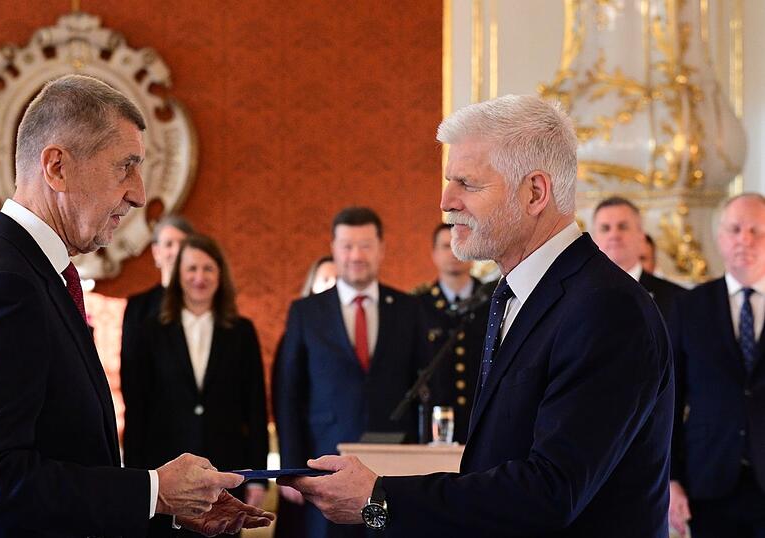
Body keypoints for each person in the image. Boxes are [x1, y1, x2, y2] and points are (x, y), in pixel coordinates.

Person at [281, 95, 674, 537]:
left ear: (535, 193)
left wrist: (379, 498)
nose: (446, 201)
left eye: (467, 184)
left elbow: (551, 492)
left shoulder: (607, 308)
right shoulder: (514, 294)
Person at [0, 74, 272, 537]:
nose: (139, 193)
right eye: (124, 166)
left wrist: (161, 502)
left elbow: (60, 452)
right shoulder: (6, 285)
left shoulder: (26, 269)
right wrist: (155, 491)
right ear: (57, 168)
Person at [274, 206, 430, 538]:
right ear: (334, 249)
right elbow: (289, 395)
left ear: (381, 249)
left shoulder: (409, 309)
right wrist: (289, 466)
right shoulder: (306, 312)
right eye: (347, 246)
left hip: (393, 471)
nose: (356, 255)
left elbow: (425, 385)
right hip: (324, 465)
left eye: (365, 245)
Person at [123, 234, 269, 537]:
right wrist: (136, 480)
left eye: (208, 269)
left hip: (227, 472)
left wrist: (257, 477)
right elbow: (137, 408)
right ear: (178, 276)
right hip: (163, 472)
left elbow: (255, 409)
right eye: (191, 269)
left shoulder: (242, 332)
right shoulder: (150, 331)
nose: (199, 278)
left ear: (220, 275)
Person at [667, 193, 765, 537]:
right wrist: (672, 479)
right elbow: (671, 400)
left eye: (757, 230)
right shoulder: (688, 307)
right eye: (735, 229)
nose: (745, 239)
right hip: (707, 479)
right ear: (720, 237)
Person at [412, 223, 495, 444]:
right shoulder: (418, 305)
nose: (455, 252)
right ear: (434, 254)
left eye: (461, 243)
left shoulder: (493, 300)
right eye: (446, 246)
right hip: (433, 427)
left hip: (481, 422)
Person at [273, 255, 336, 538]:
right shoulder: (295, 334)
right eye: (325, 281)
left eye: (338, 281)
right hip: (305, 458)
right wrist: (290, 469)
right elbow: (285, 404)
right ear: (311, 286)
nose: (332, 288)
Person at [591, 196, 684, 317]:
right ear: (593, 239)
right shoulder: (574, 295)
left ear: (641, 236)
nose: (614, 235)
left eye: (623, 227)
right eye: (605, 228)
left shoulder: (677, 298)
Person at [121, 214, 194, 351]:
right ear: (156, 253)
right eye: (169, 244)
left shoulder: (208, 302)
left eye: (183, 244)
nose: (177, 251)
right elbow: (131, 366)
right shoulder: (138, 308)